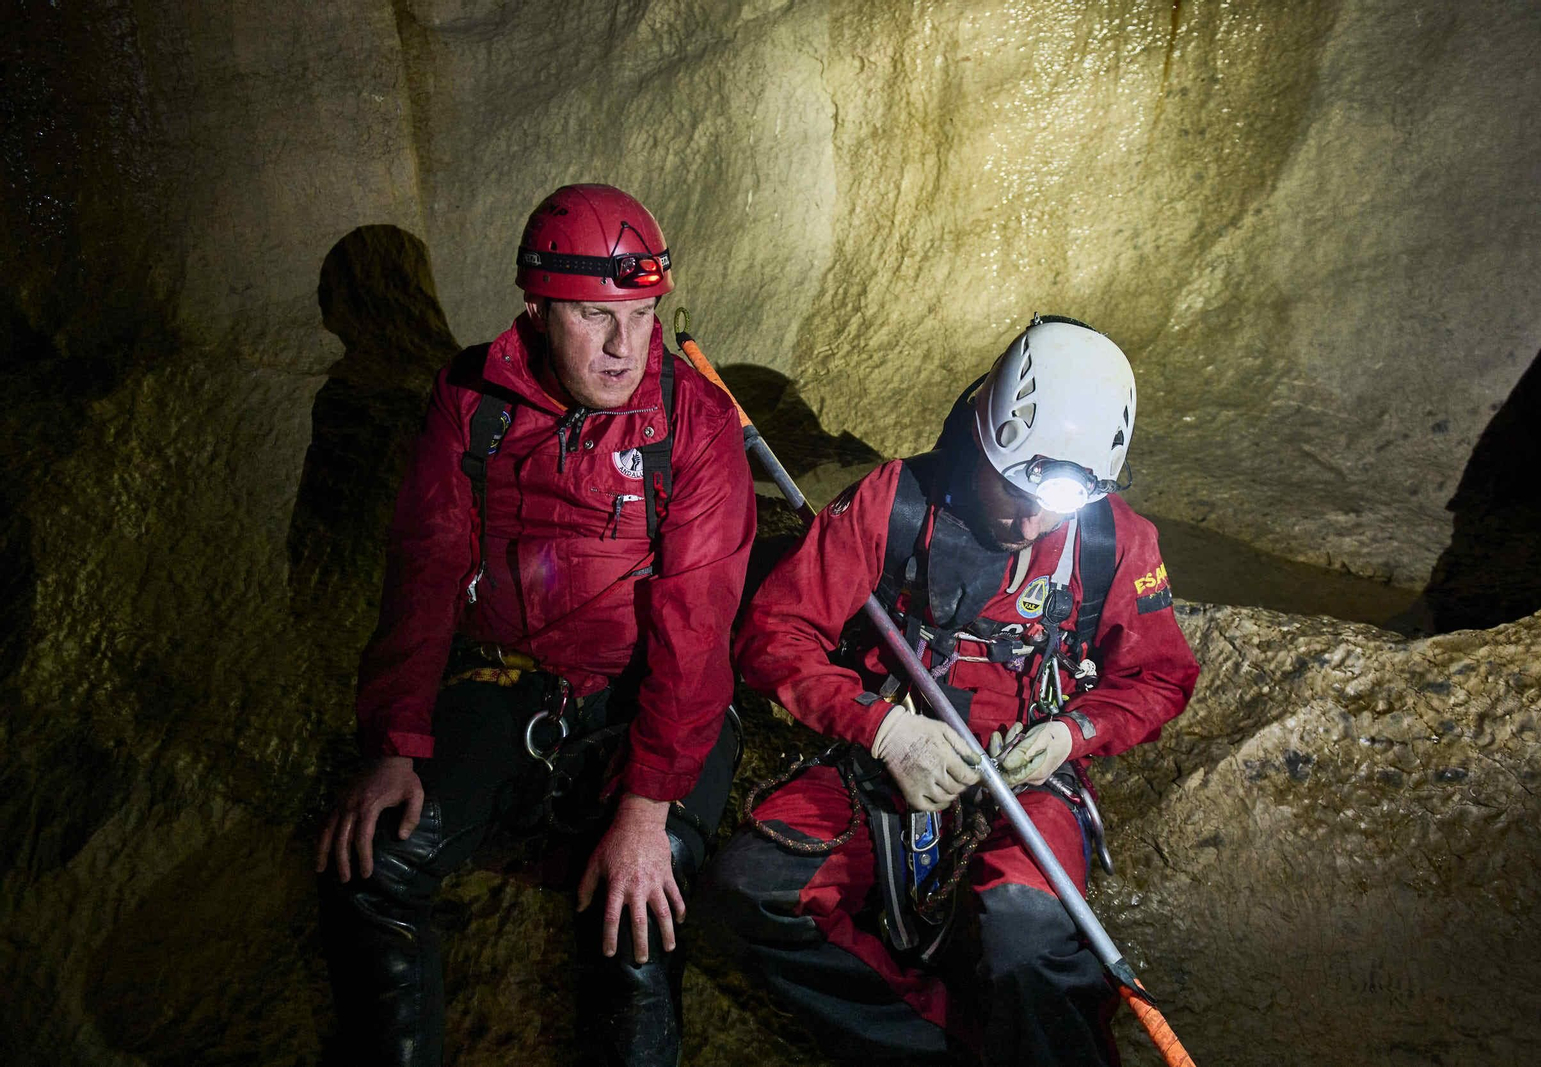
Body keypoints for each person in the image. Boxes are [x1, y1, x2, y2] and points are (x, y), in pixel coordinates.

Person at [314, 183, 756, 1067]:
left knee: (636, 904)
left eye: (642, 313)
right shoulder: (474, 402)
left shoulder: (695, 424)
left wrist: (644, 808)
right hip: (513, 684)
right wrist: (395, 742)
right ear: (539, 307)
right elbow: (427, 565)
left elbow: (695, 633)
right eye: (595, 316)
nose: (625, 346)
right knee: (376, 864)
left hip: (654, 702)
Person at [702, 316, 1200, 1066]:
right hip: (888, 757)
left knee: (1031, 936)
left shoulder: (1111, 539)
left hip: (1030, 777)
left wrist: (1074, 733)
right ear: (981, 436)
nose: (1033, 521)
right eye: (1016, 490)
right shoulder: (896, 503)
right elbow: (775, 631)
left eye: (1056, 504)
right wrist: (882, 730)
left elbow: (1160, 676)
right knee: (750, 888)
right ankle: (941, 1046)